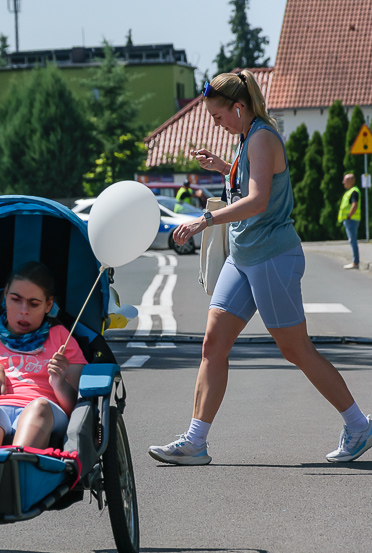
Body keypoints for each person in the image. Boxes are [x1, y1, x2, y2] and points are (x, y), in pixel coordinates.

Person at [148, 70, 372, 466]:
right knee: (213, 344)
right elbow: (247, 182)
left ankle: (359, 425)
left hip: (271, 256)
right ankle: (195, 441)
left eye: (218, 116)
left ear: (238, 107)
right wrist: (224, 168)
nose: (216, 123)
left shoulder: (263, 136)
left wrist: (204, 221)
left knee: (295, 349)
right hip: (242, 257)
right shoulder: (246, 137)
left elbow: (258, 201)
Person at [0, 262, 87, 450]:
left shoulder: (62, 338)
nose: (24, 310)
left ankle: (20, 463)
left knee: (39, 407)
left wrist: (59, 383)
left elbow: (76, 407)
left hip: (44, 412)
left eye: (34, 304)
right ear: (5, 296)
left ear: (48, 305)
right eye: (16, 299)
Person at [339, 173, 361, 270]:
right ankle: (355, 261)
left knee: (353, 240)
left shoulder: (354, 191)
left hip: (351, 220)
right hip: (350, 220)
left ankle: (355, 262)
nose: (343, 182)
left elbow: (354, 205)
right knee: (352, 240)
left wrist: (349, 216)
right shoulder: (350, 191)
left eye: (345, 180)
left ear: (350, 181)